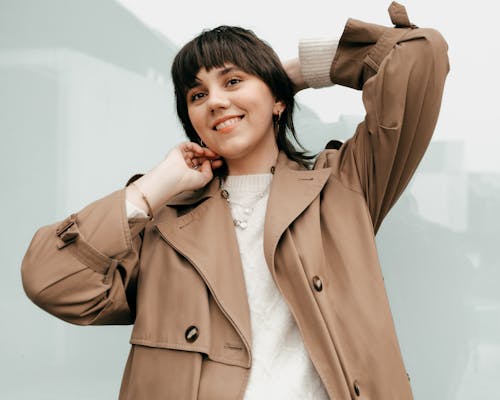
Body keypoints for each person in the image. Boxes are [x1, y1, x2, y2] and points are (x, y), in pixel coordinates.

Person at [21, 2, 449, 399]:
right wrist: (154, 186)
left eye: (233, 81)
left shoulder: (343, 186)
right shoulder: (165, 223)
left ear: (279, 100)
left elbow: (420, 54)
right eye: (197, 94)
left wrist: (295, 73)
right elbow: (50, 280)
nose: (216, 101)